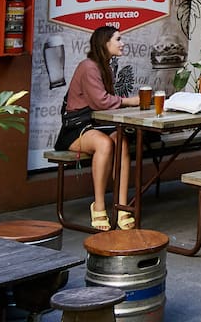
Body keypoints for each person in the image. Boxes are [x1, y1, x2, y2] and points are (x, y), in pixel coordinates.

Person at [53, 25, 140, 231]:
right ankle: (99, 205)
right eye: (118, 39)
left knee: (122, 142)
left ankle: (122, 206)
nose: (122, 43)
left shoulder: (105, 66)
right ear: (105, 43)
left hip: (97, 124)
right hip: (76, 129)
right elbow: (101, 102)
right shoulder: (88, 66)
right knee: (105, 144)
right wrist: (130, 101)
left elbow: (105, 105)